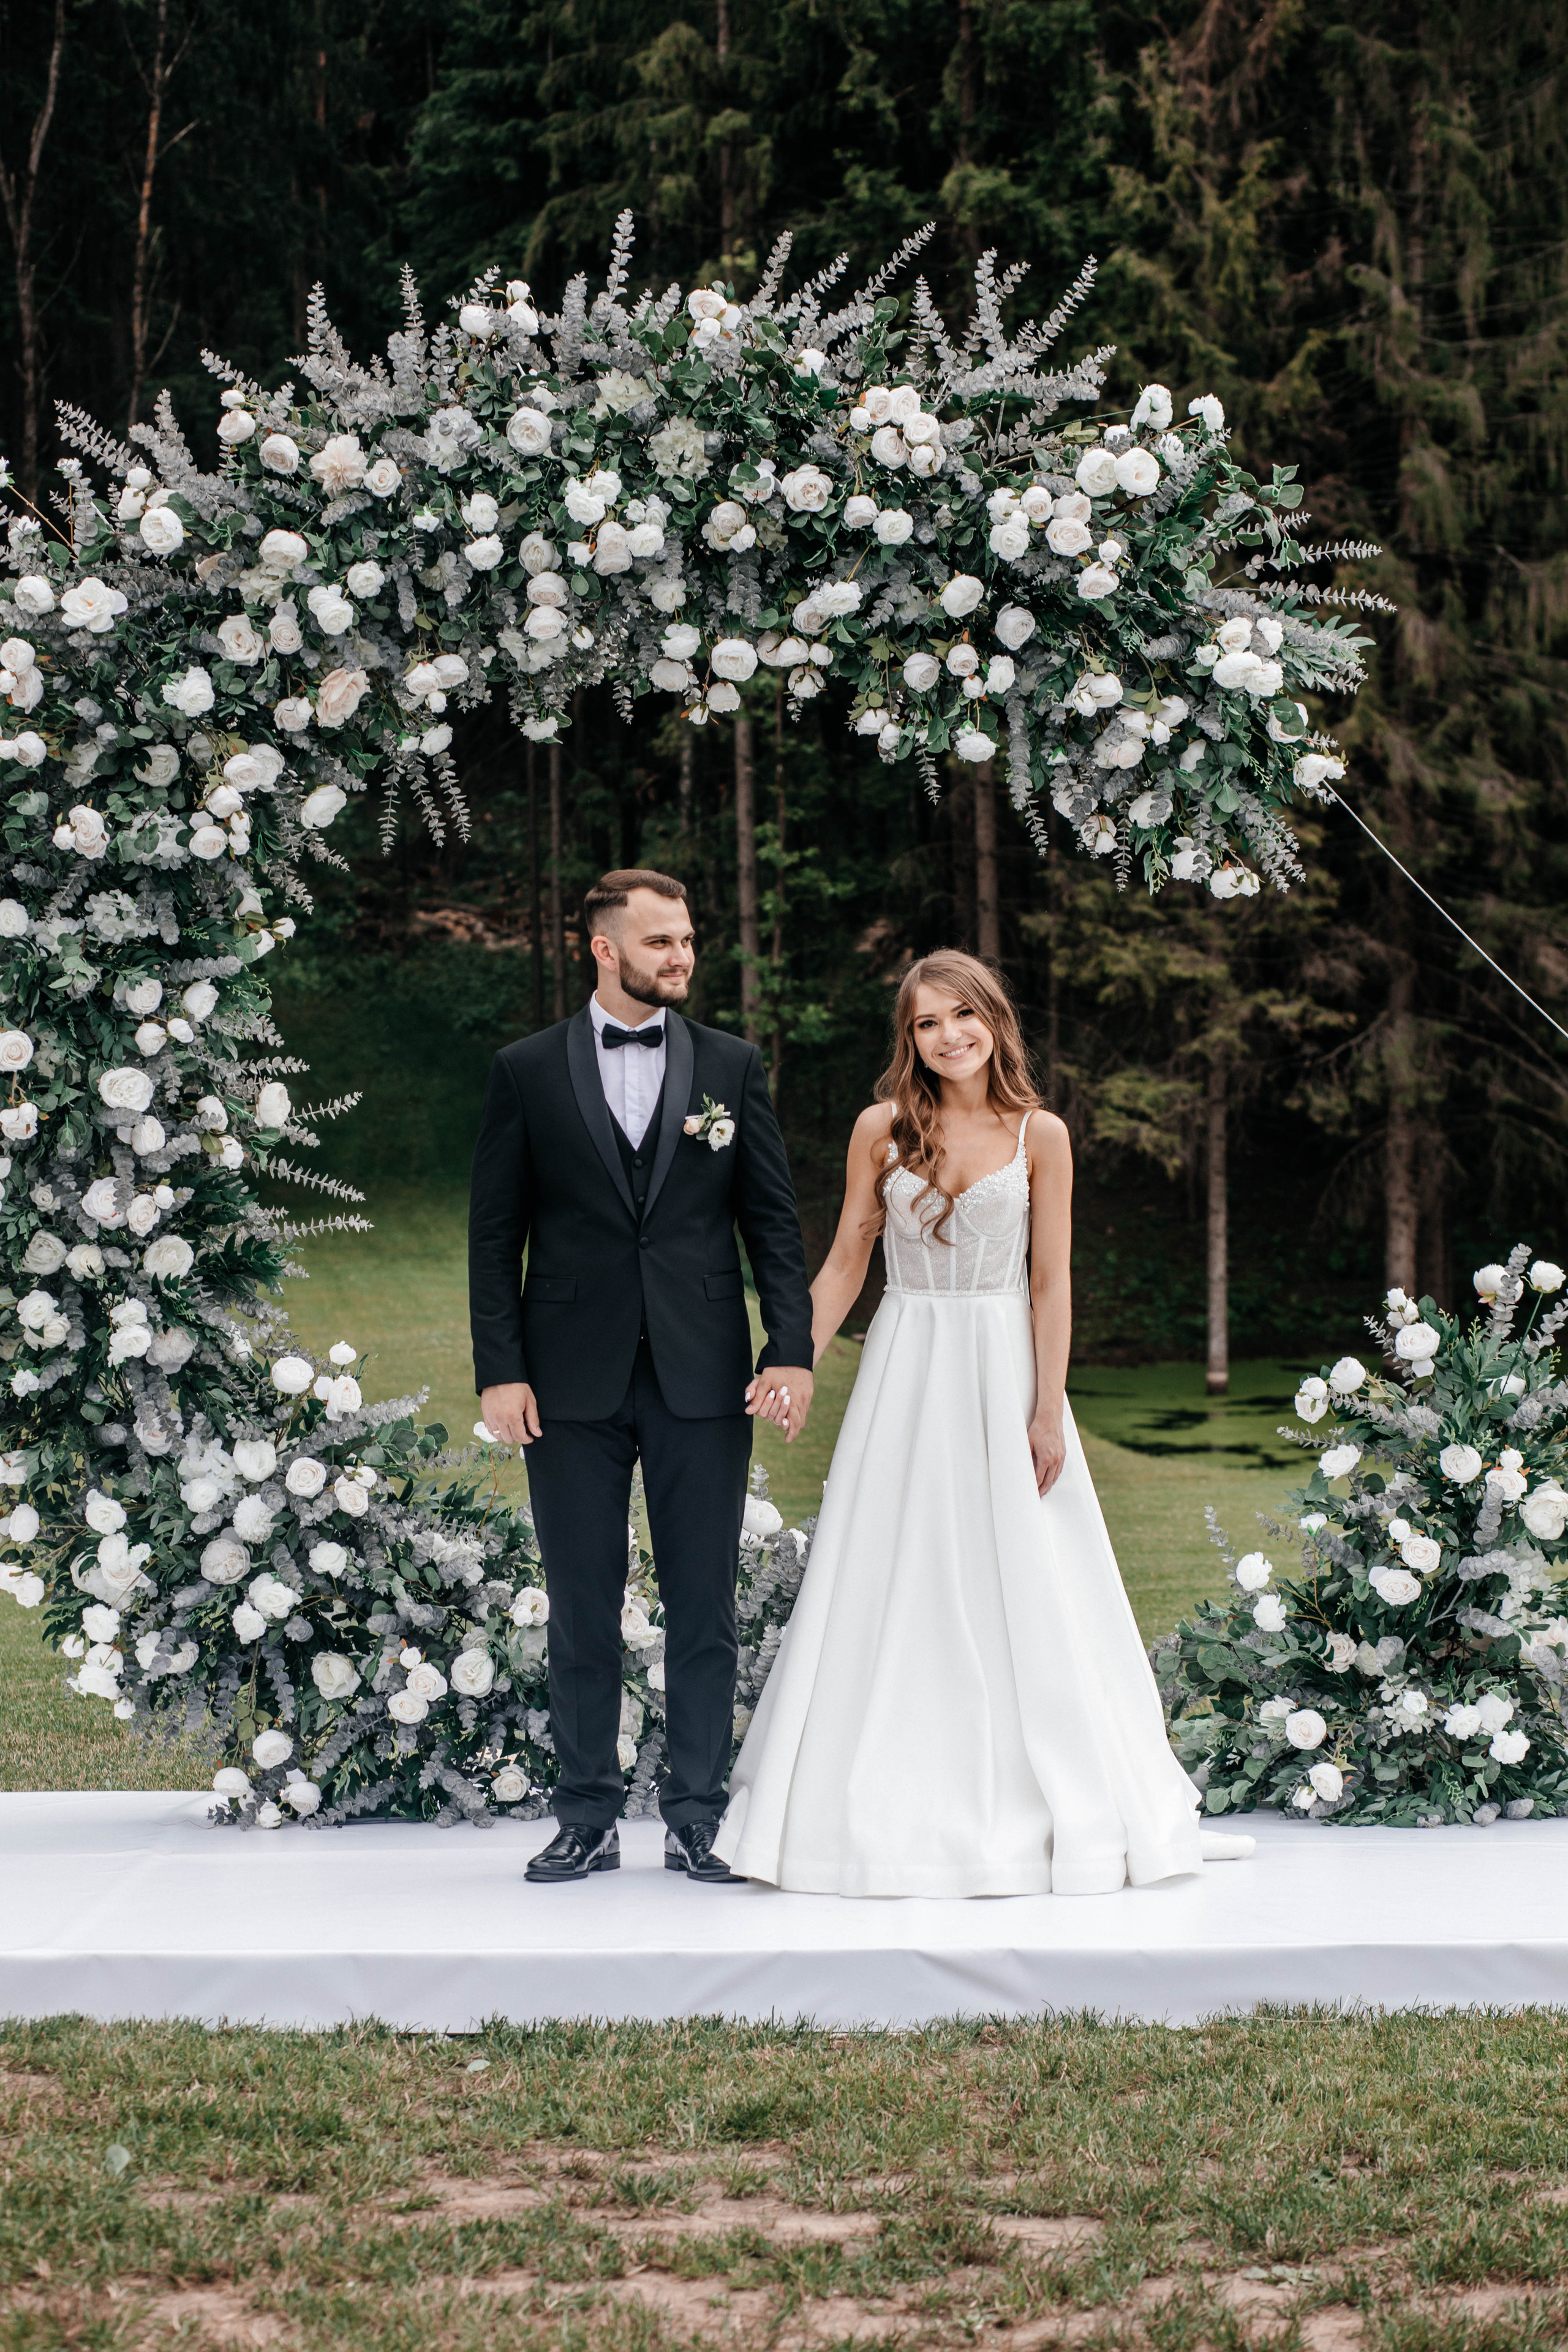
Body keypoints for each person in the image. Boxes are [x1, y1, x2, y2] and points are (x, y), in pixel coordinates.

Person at [715, 949, 1253, 1896]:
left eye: (963, 1016)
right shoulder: (881, 1129)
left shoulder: (1039, 1134)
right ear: (909, 1038)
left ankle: (1053, 1794)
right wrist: (790, 1357)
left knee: (1029, 1569)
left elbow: (1051, 1283)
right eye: (927, 1023)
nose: (948, 1036)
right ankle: (869, 1801)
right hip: (906, 1366)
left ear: (995, 1022)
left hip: (1003, 1365)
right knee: (892, 1564)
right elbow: (846, 1258)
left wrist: (1046, 1410)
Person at [468, 869, 813, 1886]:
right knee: (583, 1604)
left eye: (689, 940)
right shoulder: (526, 1070)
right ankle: (584, 1816)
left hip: (703, 1374)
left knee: (703, 1603)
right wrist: (502, 1370)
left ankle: (699, 1817)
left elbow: (773, 1225)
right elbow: (495, 1238)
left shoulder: (730, 1066)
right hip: (566, 1380)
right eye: (660, 942)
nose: (682, 958)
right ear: (603, 949)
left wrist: (787, 1348)